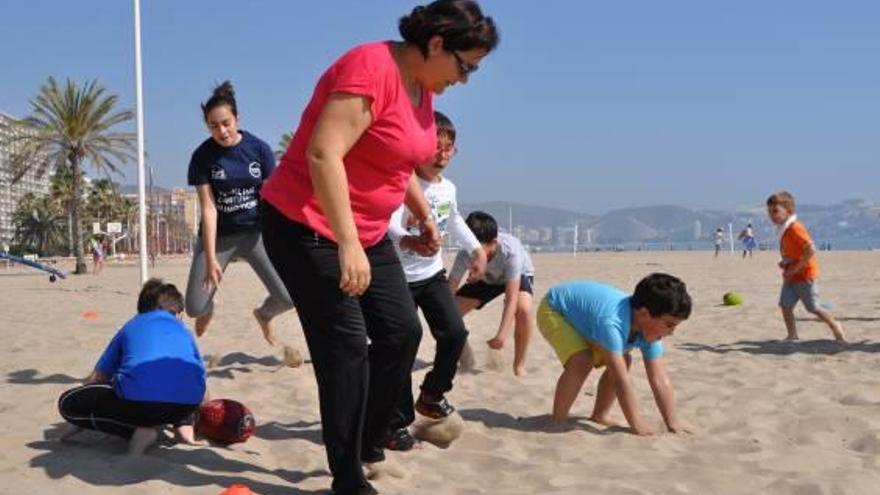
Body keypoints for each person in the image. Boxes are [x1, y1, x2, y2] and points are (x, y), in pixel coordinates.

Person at [259, 2, 499, 493]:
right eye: (466, 65)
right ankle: (346, 475)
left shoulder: (421, 88)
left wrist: (425, 215)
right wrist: (346, 242)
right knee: (345, 348)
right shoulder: (371, 68)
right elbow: (324, 152)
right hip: (305, 223)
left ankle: (370, 439)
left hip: (365, 229)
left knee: (400, 334)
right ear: (436, 43)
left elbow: (398, 161)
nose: (467, 78)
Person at [384, 111, 487, 451]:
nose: (442, 154)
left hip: (431, 275)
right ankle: (395, 423)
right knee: (404, 344)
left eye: (449, 148)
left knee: (455, 333)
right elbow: (390, 225)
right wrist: (410, 241)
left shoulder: (449, 188)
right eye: (435, 146)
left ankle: (431, 395)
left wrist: (476, 250)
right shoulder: (404, 183)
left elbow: (453, 218)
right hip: (397, 277)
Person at [185, 81, 293, 346]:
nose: (221, 131)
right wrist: (210, 259)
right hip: (219, 237)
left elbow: (271, 199)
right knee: (194, 308)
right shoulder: (202, 157)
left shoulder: (259, 150)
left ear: (237, 118)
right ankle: (209, 308)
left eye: (226, 123)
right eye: (213, 126)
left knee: (288, 296)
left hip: (255, 234)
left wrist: (282, 239)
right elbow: (209, 210)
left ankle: (264, 315)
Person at [56, 279, 206, 455]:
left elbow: (99, 377)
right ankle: (185, 432)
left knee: (69, 402)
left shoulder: (132, 325)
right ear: (179, 313)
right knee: (179, 380)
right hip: (187, 406)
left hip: (143, 406)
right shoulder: (185, 332)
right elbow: (199, 378)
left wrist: (86, 409)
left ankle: (142, 432)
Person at [537, 274, 692, 434]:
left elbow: (659, 378)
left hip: (590, 319)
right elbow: (620, 379)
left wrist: (672, 422)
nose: (671, 332)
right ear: (644, 314)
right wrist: (637, 424)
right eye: (669, 325)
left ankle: (599, 415)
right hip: (555, 309)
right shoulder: (612, 323)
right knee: (582, 360)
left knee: (623, 360)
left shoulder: (649, 327)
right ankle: (557, 420)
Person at [449, 211, 535, 376]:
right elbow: (449, 290)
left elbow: (511, 298)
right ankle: (467, 359)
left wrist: (501, 336)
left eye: (479, 251)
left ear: (494, 243)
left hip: (518, 276)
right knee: (450, 313)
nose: (474, 255)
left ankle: (519, 365)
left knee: (523, 309)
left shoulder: (511, 251)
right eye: (471, 249)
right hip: (487, 278)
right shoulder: (465, 253)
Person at [766, 191, 846, 342]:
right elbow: (793, 251)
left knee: (813, 307)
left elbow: (810, 249)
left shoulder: (795, 227)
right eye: (769, 212)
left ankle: (835, 325)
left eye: (775, 211)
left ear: (788, 210)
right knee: (785, 305)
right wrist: (786, 262)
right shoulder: (783, 229)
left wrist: (796, 267)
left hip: (805, 275)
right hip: (791, 276)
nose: (772, 215)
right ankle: (792, 335)